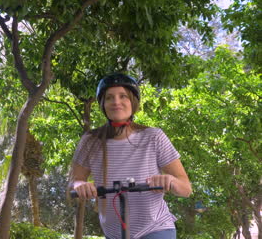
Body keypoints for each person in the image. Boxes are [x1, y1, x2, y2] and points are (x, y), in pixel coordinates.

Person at [70, 73, 192, 239]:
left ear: (133, 102)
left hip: (155, 228)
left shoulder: (153, 137)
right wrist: (79, 185)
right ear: (103, 104)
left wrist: (170, 181)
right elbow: (73, 183)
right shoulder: (90, 141)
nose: (116, 102)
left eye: (123, 96)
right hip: (113, 234)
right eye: (109, 98)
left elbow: (186, 188)